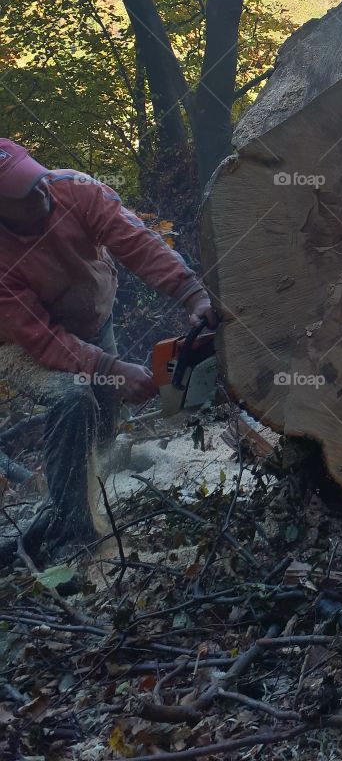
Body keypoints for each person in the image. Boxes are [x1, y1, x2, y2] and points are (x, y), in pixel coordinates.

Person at [0, 138, 218, 563]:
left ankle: (98, 472)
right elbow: (41, 339)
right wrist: (109, 367)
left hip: (93, 319)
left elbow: (135, 241)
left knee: (103, 424)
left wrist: (192, 293)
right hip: (19, 342)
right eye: (23, 192)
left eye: (35, 179)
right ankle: (73, 538)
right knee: (73, 397)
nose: (39, 191)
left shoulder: (73, 188)